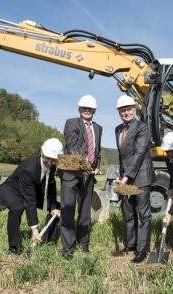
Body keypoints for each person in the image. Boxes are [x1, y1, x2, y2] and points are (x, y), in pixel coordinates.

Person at [0, 138, 63, 253]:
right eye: (48, 158)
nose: (50, 163)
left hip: (30, 191)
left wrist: (53, 207)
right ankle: (13, 248)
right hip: (10, 190)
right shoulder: (28, 169)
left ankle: (47, 242)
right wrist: (34, 229)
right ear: (42, 153)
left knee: (58, 208)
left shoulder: (52, 167)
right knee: (17, 207)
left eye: (54, 160)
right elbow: (30, 201)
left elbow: (51, 187)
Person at [60, 94, 102, 259]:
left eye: (90, 108)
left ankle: (83, 245)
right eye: (84, 107)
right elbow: (72, 145)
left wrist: (97, 166)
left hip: (88, 175)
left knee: (85, 211)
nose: (87, 110)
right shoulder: (72, 123)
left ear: (94, 110)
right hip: (72, 173)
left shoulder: (98, 127)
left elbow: (97, 149)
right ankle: (68, 249)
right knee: (68, 210)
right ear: (79, 109)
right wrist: (83, 163)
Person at [115, 94, 154, 263]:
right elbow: (123, 155)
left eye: (129, 109)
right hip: (126, 177)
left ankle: (142, 250)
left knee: (144, 214)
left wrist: (126, 176)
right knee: (128, 212)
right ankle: (131, 244)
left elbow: (138, 154)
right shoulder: (118, 129)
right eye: (122, 110)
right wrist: (121, 173)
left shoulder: (142, 127)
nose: (126, 112)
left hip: (141, 177)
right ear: (119, 112)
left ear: (134, 109)